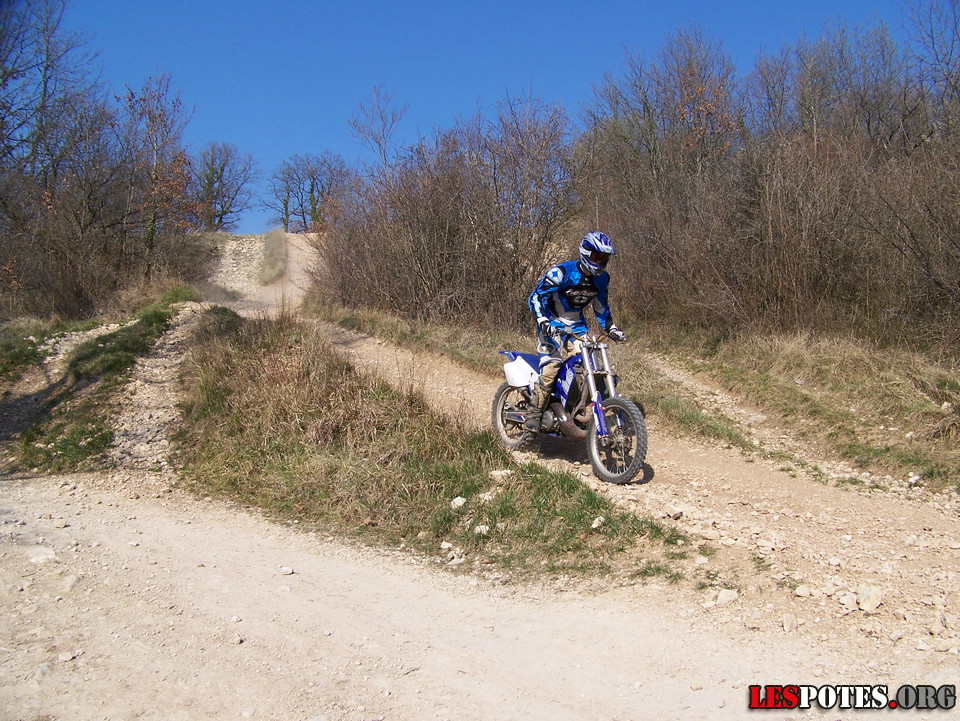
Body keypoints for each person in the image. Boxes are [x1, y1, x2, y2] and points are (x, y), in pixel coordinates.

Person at [524, 231, 626, 436]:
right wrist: (543, 320)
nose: (600, 261)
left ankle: (578, 407)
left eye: (604, 258)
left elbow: (601, 306)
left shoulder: (602, 279)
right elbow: (535, 297)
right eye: (597, 256)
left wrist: (611, 328)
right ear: (585, 253)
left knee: (590, 365)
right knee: (552, 366)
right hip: (551, 323)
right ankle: (534, 413)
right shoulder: (561, 273)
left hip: (577, 326)